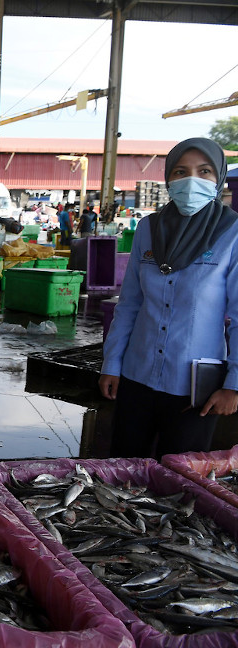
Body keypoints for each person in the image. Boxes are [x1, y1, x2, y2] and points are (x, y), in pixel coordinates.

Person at [99, 137, 238, 458]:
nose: (191, 181)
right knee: (124, 470)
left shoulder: (231, 234)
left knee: (180, 480)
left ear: (218, 178)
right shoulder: (149, 229)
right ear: (168, 178)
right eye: (180, 171)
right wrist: (112, 363)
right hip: (136, 377)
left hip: (194, 390)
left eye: (204, 171)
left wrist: (233, 385)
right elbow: (130, 303)